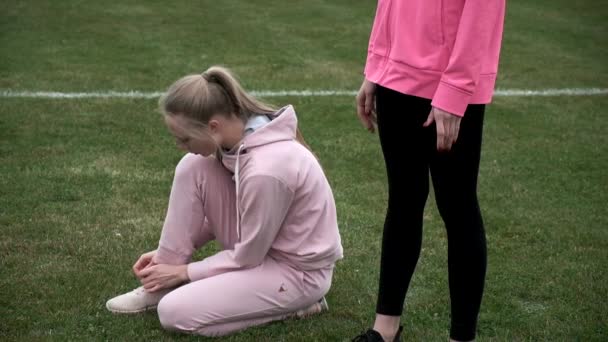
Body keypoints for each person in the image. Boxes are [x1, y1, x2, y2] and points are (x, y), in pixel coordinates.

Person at [105, 66, 343, 337]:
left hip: (296, 273)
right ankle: (159, 284)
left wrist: (185, 272)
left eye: (184, 138)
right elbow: (240, 221)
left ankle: (299, 305)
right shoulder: (240, 143)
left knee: (173, 313)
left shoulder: (266, 169)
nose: (180, 145)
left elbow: (249, 255)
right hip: (262, 251)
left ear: (213, 127)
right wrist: (166, 261)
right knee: (192, 166)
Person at [352, 1, 506, 341]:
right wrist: (376, 67)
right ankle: (385, 329)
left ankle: (461, 337)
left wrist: (455, 91)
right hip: (395, 77)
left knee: (458, 206)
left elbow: (484, 10)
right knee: (403, 199)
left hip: (448, 83)